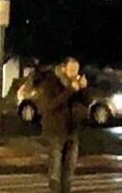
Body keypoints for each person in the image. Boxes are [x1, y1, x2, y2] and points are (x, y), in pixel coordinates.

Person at [36, 58, 88, 193]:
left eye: (76, 70)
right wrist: (70, 90)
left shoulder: (76, 85)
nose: (74, 74)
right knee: (55, 171)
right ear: (63, 69)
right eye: (72, 70)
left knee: (69, 170)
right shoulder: (51, 82)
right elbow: (51, 104)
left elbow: (84, 103)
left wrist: (83, 90)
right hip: (55, 131)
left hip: (72, 131)